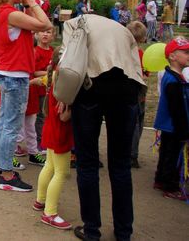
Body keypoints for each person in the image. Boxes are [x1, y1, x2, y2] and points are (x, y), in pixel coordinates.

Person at [63, 15, 146, 241]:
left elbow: (70, 61)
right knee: (120, 165)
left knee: (87, 163)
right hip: (126, 87)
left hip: (92, 86)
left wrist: (65, 96)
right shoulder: (123, 31)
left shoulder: (74, 24)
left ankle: (92, 230)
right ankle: (123, 232)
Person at [0, 0, 51, 192]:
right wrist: (32, 1)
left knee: (5, 122)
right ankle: (6, 174)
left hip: (7, 73)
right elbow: (45, 24)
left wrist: (27, 2)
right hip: (14, 75)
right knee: (11, 126)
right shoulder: (9, 14)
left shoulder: (5, 12)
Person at [33, 48, 74, 231]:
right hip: (60, 131)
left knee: (49, 166)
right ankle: (50, 213)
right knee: (61, 172)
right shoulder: (65, 81)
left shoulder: (53, 75)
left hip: (51, 128)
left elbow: (38, 80)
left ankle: (40, 200)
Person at [153, 37, 189, 201]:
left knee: (166, 153)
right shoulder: (173, 80)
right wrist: (183, 129)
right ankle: (170, 185)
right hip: (173, 125)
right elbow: (177, 108)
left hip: (169, 125)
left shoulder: (173, 76)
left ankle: (161, 179)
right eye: (186, 52)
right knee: (173, 157)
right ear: (173, 56)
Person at [26, 28, 54, 166]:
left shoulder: (53, 51)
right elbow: (34, 72)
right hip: (38, 90)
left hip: (51, 90)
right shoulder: (35, 52)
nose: (45, 34)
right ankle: (39, 142)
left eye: (48, 32)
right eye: (42, 32)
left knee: (47, 116)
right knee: (39, 116)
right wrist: (49, 73)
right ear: (36, 35)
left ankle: (44, 140)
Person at [126, 21, 148, 169]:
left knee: (133, 124)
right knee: (137, 123)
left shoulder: (124, 52)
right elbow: (146, 72)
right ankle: (132, 155)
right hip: (139, 92)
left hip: (130, 91)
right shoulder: (140, 53)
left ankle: (130, 154)